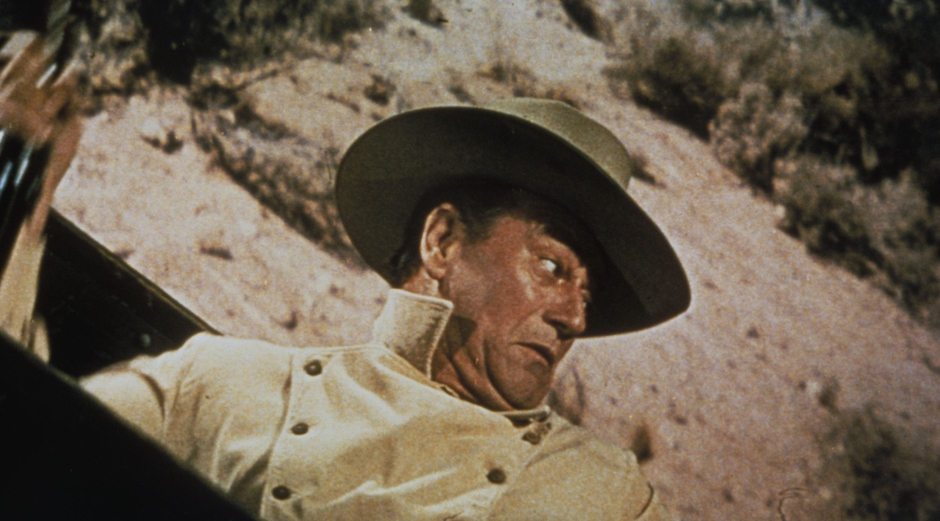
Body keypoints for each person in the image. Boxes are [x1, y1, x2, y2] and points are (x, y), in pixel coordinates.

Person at [0, 34, 691, 521]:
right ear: (443, 241)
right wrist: (21, 203)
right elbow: (24, 439)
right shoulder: (221, 387)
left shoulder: (607, 494)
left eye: (587, 291)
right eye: (553, 266)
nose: (575, 317)